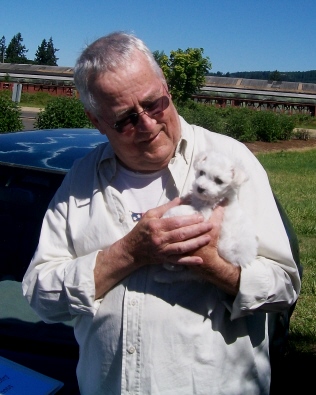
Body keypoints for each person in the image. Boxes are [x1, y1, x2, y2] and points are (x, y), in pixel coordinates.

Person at [22, 32, 301, 395]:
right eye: (125, 119)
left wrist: (213, 264)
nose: (148, 125)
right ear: (96, 120)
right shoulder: (81, 179)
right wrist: (127, 253)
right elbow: (40, 295)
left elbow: (284, 287)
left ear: (166, 86)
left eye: (154, 103)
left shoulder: (231, 159)